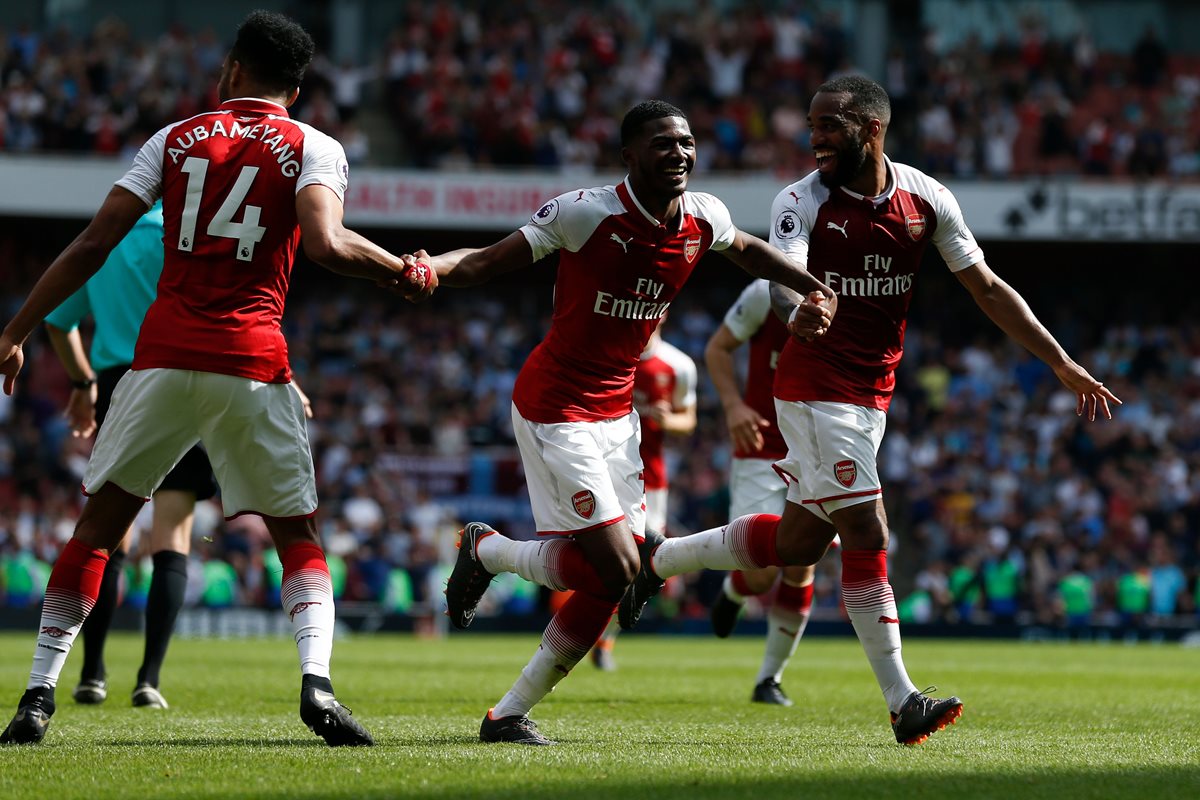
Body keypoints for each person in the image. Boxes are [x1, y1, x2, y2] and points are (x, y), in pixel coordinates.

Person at [618, 76, 1121, 745]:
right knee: (867, 530)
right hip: (812, 389)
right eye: (812, 125)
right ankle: (902, 700)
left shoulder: (925, 197)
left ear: (871, 127)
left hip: (870, 395)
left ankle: (658, 562)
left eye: (829, 125)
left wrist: (1060, 361)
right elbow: (781, 277)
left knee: (798, 543)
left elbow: (988, 287)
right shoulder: (800, 200)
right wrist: (802, 310)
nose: (815, 138)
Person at [0, 10, 432, 747]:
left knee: (100, 528)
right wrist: (402, 270)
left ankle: (39, 694)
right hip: (252, 361)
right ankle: (317, 687)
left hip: (161, 358)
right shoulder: (314, 146)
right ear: (297, 89)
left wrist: (13, 332)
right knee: (297, 534)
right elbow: (325, 244)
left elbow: (94, 241)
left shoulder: (173, 138)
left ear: (233, 69)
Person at [431, 100, 836, 745]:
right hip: (555, 405)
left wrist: (811, 284)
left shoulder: (705, 216)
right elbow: (484, 261)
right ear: (628, 156)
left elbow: (753, 251)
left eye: (686, 143)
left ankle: (501, 675)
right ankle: (497, 567)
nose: (678, 154)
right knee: (620, 568)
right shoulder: (583, 212)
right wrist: (424, 268)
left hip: (617, 416)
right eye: (661, 144)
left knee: (600, 575)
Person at [44, 200, 219, 710]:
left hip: (121, 385)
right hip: (181, 378)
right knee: (173, 539)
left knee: (107, 536)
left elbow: (60, 322)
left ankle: (91, 673)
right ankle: (148, 679)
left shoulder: (107, 236)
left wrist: (82, 383)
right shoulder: (190, 235)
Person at [704, 277, 819, 706]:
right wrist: (734, 405)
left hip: (815, 451)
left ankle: (769, 678)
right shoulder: (762, 293)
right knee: (761, 571)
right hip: (759, 450)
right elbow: (717, 348)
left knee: (802, 561)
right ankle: (737, 589)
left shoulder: (851, 291)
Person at [591, 316, 697, 671]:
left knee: (642, 562)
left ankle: (605, 639)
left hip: (651, 480)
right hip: (603, 471)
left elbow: (689, 419)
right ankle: (581, 630)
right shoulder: (613, 353)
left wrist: (669, 420)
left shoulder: (678, 365)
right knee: (602, 555)